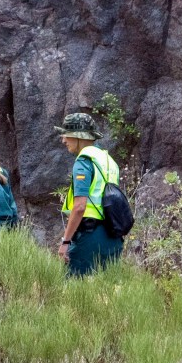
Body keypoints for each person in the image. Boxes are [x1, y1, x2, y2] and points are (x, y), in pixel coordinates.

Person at [55, 112, 124, 276]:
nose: (63, 140)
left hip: (90, 236)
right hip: (113, 238)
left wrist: (65, 241)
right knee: (104, 294)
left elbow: (79, 207)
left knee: (75, 294)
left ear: (79, 136)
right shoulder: (109, 160)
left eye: (67, 135)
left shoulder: (84, 161)